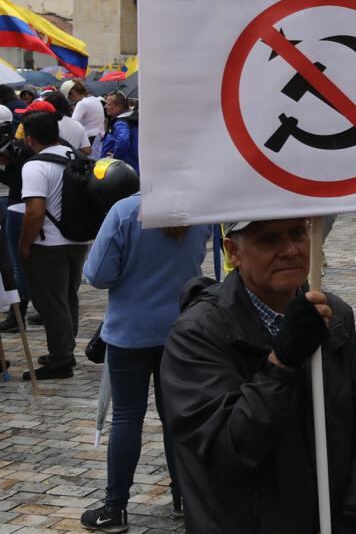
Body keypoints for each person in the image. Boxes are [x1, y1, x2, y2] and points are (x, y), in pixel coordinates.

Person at [160, 218, 356, 533]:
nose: (290, 250)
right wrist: (282, 362)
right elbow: (228, 448)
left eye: (297, 233)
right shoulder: (196, 335)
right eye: (268, 240)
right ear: (233, 252)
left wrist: (353, 509)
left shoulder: (335, 316)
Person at [79, 194, 212, 531]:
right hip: (181, 330)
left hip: (130, 330)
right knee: (177, 418)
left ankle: (115, 508)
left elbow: (96, 274)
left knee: (126, 417)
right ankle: (185, 496)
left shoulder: (125, 212)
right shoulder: (196, 210)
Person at [17, 110, 91, 380]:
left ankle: (61, 360)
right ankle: (64, 349)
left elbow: (34, 211)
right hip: (78, 239)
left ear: (29, 138)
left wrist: (25, 244)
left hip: (49, 244)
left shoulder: (35, 166)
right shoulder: (75, 156)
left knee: (51, 303)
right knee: (68, 296)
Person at [101, 92, 139, 174]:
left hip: (121, 170)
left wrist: (115, 157)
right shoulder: (131, 118)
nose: (105, 107)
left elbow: (123, 140)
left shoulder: (121, 123)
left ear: (119, 107)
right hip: (131, 167)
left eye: (109, 104)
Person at [66, 80, 106, 157]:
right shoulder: (95, 99)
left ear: (74, 93)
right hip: (100, 137)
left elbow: (73, 123)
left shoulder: (82, 103)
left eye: (69, 97)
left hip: (89, 139)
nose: (70, 100)